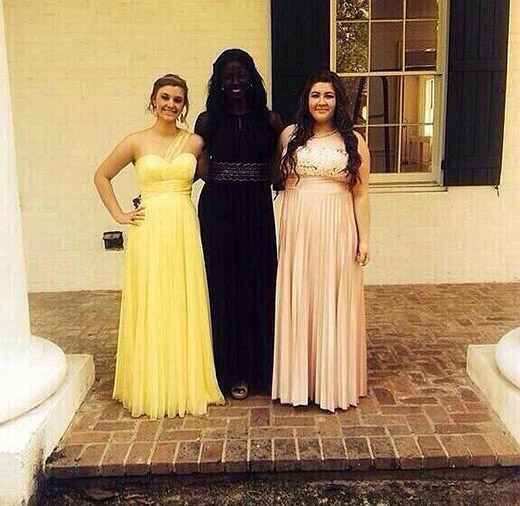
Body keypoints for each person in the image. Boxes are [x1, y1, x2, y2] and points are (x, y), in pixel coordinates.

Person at [94, 74, 224, 418]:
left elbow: (212, 176)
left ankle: (186, 380)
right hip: (149, 228)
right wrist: (119, 214)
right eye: (164, 97)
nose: (170, 104)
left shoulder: (194, 142)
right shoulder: (135, 142)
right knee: (154, 298)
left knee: (182, 298)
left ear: (184, 105)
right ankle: (152, 382)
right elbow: (101, 175)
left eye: (177, 99)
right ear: (153, 100)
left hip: (183, 223)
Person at [272, 69, 370, 412]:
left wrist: (364, 239)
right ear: (306, 100)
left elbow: (361, 194)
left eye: (328, 95)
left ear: (338, 100)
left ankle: (332, 381)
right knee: (301, 293)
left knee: (332, 295)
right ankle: (298, 382)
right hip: (298, 227)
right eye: (316, 95)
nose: (322, 101)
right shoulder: (289, 136)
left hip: (337, 225)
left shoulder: (354, 141)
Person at [195, 49, 283, 399]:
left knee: (260, 286)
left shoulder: (270, 120)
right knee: (225, 289)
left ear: (251, 79)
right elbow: (196, 168)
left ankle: (263, 369)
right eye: (228, 76)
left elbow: (279, 168)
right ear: (218, 81)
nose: (234, 82)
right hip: (219, 211)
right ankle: (231, 371)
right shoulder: (207, 121)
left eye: (240, 75)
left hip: (257, 211)